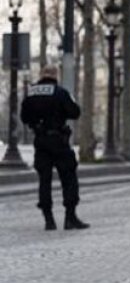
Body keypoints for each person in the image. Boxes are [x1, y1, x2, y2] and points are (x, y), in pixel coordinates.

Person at [20, 65, 88, 231]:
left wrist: (36, 123)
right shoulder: (60, 92)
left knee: (44, 180)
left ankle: (48, 219)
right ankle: (70, 217)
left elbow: (24, 117)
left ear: (41, 75)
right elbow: (75, 112)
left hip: (41, 140)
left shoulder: (31, 93)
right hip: (59, 141)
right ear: (55, 75)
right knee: (69, 177)